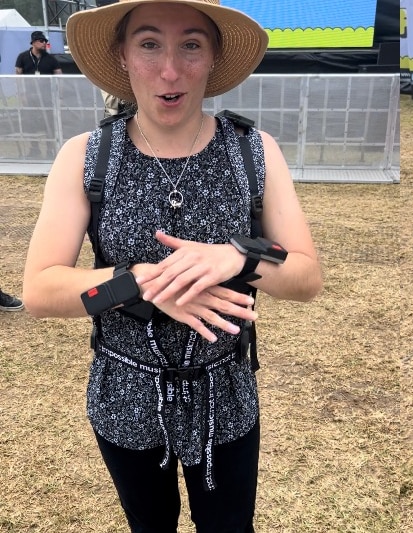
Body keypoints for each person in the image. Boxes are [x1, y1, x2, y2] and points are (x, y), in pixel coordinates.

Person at [22, 0, 322, 531]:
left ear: (213, 57)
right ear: (121, 55)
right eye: (149, 43)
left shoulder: (255, 151)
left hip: (226, 392)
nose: (169, 70)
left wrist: (239, 256)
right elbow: (41, 292)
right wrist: (139, 281)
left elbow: (304, 277)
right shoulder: (86, 157)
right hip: (125, 392)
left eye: (190, 45)